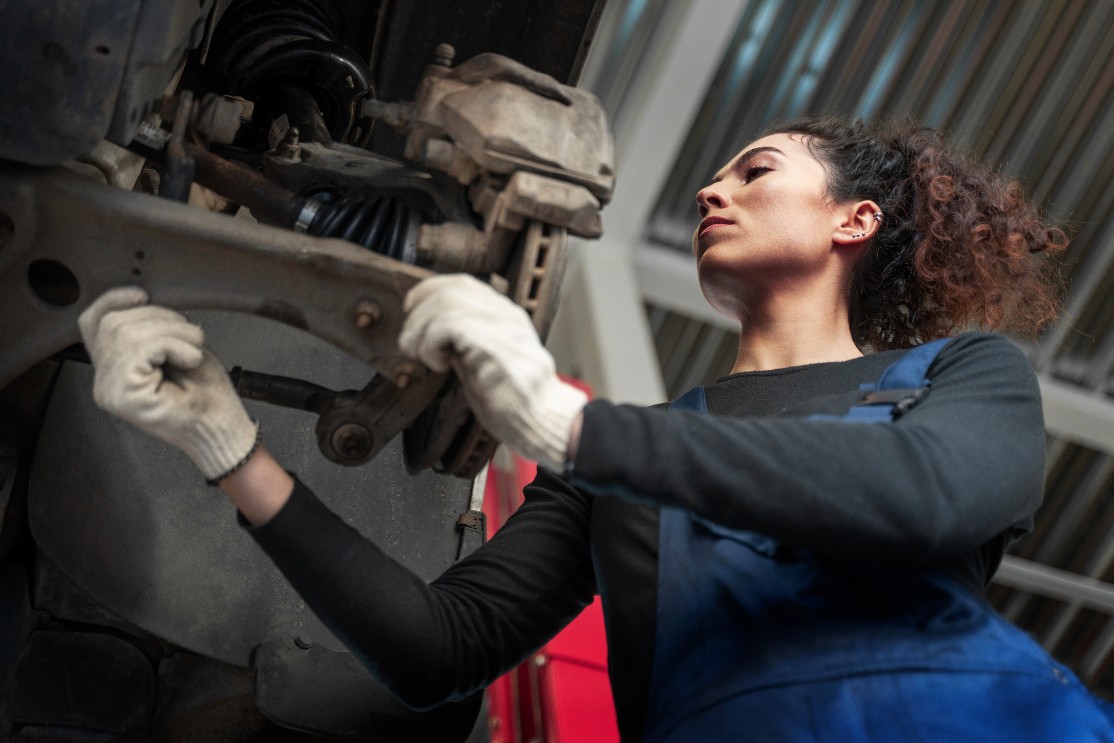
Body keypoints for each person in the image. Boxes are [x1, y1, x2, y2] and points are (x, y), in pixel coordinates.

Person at [77, 117, 1114, 742]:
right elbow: (439, 646)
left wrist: (571, 423)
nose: (711, 189)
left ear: (854, 222)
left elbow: (919, 493)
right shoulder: (613, 457)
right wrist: (228, 447)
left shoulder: (957, 375)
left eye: (754, 171)